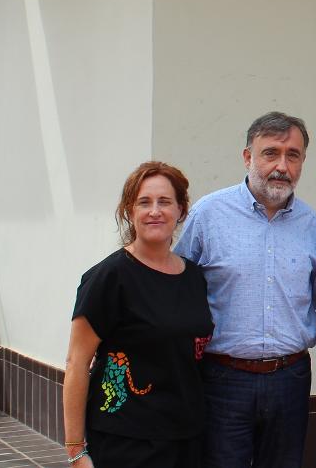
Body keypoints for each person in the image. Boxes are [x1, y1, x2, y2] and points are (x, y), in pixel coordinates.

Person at [173, 111, 316, 467]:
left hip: (290, 378)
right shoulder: (208, 215)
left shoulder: (310, 224)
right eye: (270, 153)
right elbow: (178, 290)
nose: (282, 166)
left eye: (293, 155)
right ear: (248, 157)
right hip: (222, 380)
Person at [62, 161, 214, 467]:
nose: (154, 211)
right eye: (144, 202)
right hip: (127, 441)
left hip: (187, 438)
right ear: (130, 211)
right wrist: (76, 451)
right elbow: (76, 363)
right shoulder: (109, 277)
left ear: (182, 211)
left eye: (165, 202)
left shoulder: (194, 276)